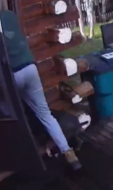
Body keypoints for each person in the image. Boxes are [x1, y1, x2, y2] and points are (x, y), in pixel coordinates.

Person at [0, 10, 81, 170]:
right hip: (30, 69)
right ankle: (69, 154)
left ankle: (21, 159)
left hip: (12, 75)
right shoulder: (9, 16)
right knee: (45, 115)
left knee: (10, 115)